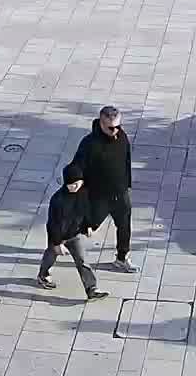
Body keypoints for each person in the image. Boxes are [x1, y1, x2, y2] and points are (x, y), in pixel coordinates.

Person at [70, 106, 135, 273]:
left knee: (124, 226)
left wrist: (127, 185)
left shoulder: (122, 137)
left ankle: (122, 258)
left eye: (118, 126)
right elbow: (77, 165)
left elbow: (126, 161)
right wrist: (75, 179)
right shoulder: (90, 143)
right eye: (111, 127)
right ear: (101, 123)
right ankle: (59, 242)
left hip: (120, 194)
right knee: (87, 225)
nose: (115, 131)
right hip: (99, 196)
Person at [37, 163, 109, 299]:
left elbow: (86, 210)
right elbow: (53, 224)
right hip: (58, 236)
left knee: (82, 261)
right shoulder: (58, 200)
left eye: (77, 183)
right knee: (51, 256)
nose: (74, 186)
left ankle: (91, 288)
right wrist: (58, 243)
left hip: (74, 234)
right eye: (71, 184)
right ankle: (43, 275)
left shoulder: (83, 192)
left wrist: (88, 225)